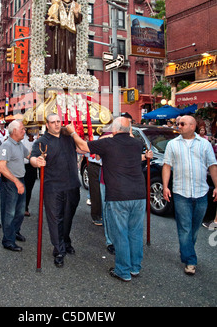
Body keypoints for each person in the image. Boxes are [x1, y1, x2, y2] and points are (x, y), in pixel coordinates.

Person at [66, 117, 153, 281]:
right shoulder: (137, 144)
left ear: (115, 129)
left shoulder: (108, 143)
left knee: (120, 233)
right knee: (135, 233)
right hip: (139, 194)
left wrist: (72, 132)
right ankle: (135, 267)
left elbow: (84, 146)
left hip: (119, 195)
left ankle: (123, 270)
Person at [163, 115, 217, 275]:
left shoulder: (205, 144)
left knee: (194, 228)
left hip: (201, 192)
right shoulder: (172, 144)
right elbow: (167, 166)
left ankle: (186, 250)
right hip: (181, 193)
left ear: (193, 126)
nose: (178, 126)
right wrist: (165, 186)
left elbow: (212, 165)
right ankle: (190, 261)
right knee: (185, 228)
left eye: (182, 124)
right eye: (178, 123)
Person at [30, 113, 81, 268]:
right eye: (53, 122)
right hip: (53, 188)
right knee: (55, 219)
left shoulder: (69, 137)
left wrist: (74, 132)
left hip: (72, 185)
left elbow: (82, 149)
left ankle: (65, 241)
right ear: (47, 124)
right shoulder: (41, 141)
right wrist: (37, 162)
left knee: (68, 218)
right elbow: (32, 158)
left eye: (59, 121)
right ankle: (59, 250)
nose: (57, 124)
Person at [0, 120, 45, 251]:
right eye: (22, 129)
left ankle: (15, 231)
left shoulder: (18, 144)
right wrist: (17, 182)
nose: (24, 131)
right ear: (14, 131)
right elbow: (2, 168)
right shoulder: (6, 146)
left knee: (19, 211)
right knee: (9, 212)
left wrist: (38, 158)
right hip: (10, 182)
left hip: (20, 180)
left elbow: (29, 155)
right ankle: (8, 240)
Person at [45, 0, 82, 75]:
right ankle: (60, 74)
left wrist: (76, 13)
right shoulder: (58, 4)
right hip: (60, 32)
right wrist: (52, 24)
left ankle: (71, 73)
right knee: (60, 53)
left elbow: (78, 20)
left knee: (71, 54)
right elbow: (54, 16)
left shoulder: (75, 4)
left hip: (71, 33)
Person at [22, 126, 39, 216]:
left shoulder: (37, 140)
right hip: (22, 166)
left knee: (29, 188)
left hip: (32, 167)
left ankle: (25, 207)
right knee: (21, 187)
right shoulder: (22, 139)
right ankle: (19, 206)